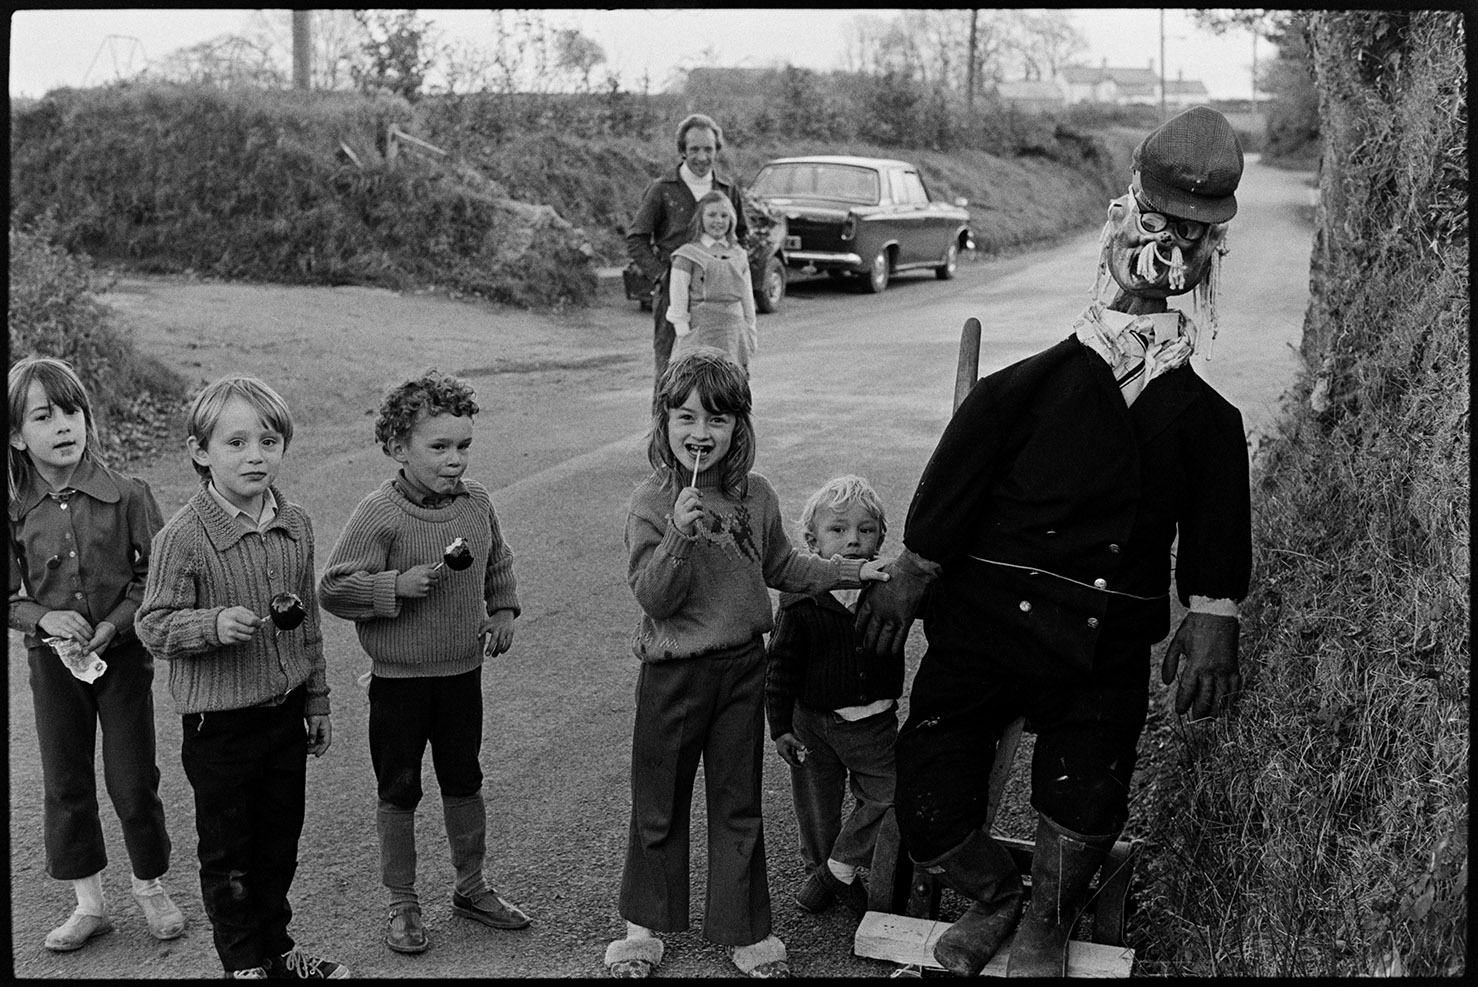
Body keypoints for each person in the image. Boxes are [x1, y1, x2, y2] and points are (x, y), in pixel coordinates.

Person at [855, 106, 1251, 978]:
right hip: (985, 625)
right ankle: (997, 892)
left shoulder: (1207, 424)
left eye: (1197, 236)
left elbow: (1216, 528)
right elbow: (950, 493)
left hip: (1103, 643)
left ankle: (1046, 916)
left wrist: (1214, 608)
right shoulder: (1022, 391)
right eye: (1162, 225)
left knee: (1088, 786)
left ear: (1214, 251)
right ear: (1123, 219)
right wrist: (915, 569)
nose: (1174, 250)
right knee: (927, 793)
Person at [604, 352, 890, 979]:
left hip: (741, 670)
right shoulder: (651, 503)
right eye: (685, 417)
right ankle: (642, 930)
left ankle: (746, 929)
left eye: (718, 419)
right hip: (673, 674)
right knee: (660, 803)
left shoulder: (754, 496)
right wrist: (679, 534)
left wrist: (849, 571)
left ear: (739, 427)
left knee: (739, 804)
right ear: (664, 422)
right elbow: (655, 597)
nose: (700, 433)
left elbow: (784, 568)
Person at [137, 375, 346, 979]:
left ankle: (279, 952)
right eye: (236, 443)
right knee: (229, 856)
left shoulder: (296, 523)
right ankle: (242, 965)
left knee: (279, 844)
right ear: (201, 452)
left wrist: (317, 699)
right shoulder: (183, 536)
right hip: (219, 727)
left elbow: (305, 623)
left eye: (269, 440)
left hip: (283, 714)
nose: (256, 455)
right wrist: (210, 624)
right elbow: (153, 626)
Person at [318, 369, 529, 956]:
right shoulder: (378, 514)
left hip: (462, 675)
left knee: (464, 781)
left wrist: (504, 611)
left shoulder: (477, 503)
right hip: (399, 685)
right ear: (397, 448)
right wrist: (391, 586)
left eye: (463, 446)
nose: (455, 460)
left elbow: (496, 562)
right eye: (438, 447)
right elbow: (333, 589)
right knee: (400, 790)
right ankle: (402, 901)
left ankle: (471, 886)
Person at [7, 357, 185, 953]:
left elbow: (154, 582)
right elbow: (8, 596)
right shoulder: (13, 513)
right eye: (44, 415)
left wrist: (112, 627)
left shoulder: (129, 495)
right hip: (51, 665)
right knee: (65, 780)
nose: (63, 425)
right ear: (15, 435)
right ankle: (90, 906)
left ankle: (150, 885)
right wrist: (43, 616)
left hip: (123, 660)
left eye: (72, 411)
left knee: (133, 780)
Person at [764, 474, 900, 921]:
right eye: (838, 530)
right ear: (812, 540)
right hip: (813, 725)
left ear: (881, 536)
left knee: (888, 796)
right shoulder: (801, 598)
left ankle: (837, 871)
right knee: (817, 808)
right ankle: (823, 869)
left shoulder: (890, 590)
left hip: (874, 725)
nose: (853, 540)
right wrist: (780, 727)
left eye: (866, 530)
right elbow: (780, 667)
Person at [626, 113, 749, 392]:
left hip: (718, 303)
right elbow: (637, 238)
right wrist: (661, 276)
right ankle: (665, 436)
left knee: (722, 376)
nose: (702, 157)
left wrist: (733, 274)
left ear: (717, 150)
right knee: (671, 376)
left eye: (708, 149)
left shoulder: (728, 190)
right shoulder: (662, 190)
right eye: (694, 149)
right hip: (675, 297)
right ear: (682, 150)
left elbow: (741, 236)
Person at [667, 190, 759, 374]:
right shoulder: (687, 255)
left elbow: (747, 300)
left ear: (732, 219)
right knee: (701, 394)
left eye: (724, 215)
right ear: (700, 218)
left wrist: (750, 332)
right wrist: (685, 339)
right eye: (711, 215)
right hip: (701, 337)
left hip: (734, 337)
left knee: (731, 394)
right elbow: (678, 305)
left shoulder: (739, 254)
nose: (718, 221)